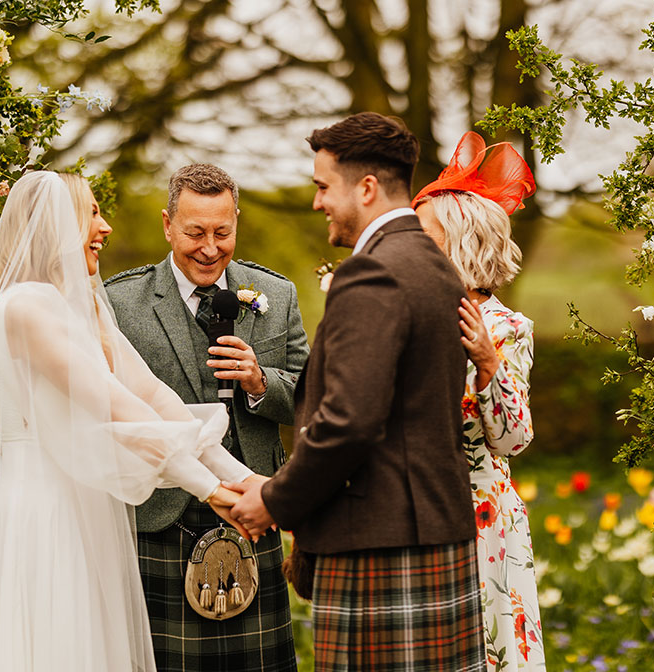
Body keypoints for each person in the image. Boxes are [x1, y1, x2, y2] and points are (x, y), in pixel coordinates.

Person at [0, 171, 254, 672]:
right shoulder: (24, 308)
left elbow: (151, 396)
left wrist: (245, 479)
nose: (105, 227)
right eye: (91, 213)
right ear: (55, 227)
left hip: (84, 506)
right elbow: (110, 405)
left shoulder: (78, 310)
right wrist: (208, 489)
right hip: (45, 512)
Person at [229, 112, 486, 672]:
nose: (317, 202)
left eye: (324, 186)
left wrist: (273, 499)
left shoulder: (372, 272)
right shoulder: (434, 266)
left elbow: (349, 419)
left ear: (366, 188)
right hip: (435, 531)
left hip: (381, 541)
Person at [104, 164, 308, 672]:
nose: (210, 247)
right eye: (195, 232)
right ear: (168, 225)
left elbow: (312, 396)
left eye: (223, 232)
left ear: (236, 221)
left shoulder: (274, 295)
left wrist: (262, 381)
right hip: (157, 517)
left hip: (251, 508)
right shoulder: (119, 301)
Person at [412, 131, 545, 671]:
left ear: (462, 243)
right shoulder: (413, 315)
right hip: (415, 511)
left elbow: (514, 439)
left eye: (424, 236)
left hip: (483, 520)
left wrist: (489, 364)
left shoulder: (507, 327)